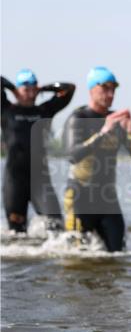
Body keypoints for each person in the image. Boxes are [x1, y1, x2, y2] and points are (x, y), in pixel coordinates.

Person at [63, 67, 131, 252]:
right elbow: (72, 155)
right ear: (92, 89)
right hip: (80, 196)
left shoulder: (116, 120)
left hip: (107, 198)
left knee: (118, 254)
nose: (110, 94)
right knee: (77, 257)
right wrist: (103, 133)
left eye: (113, 89)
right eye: (105, 88)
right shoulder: (79, 117)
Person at [1, 70, 75, 233]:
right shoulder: (6, 109)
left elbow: (69, 89)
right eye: (26, 89)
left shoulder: (44, 111)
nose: (30, 93)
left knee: (56, 226)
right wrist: (12, 88)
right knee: (16, 233)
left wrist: (43, 88)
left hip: (41, 180)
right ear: (18, 90)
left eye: (33, 89)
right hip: (14, 181)